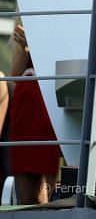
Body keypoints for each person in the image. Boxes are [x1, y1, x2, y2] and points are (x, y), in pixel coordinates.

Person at [8, 23, 61, 204]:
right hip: (25, 106)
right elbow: (13, 75)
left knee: (46, 191)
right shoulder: (22, 24)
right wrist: (24, 48)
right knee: (25, 189)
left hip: (47, 100)